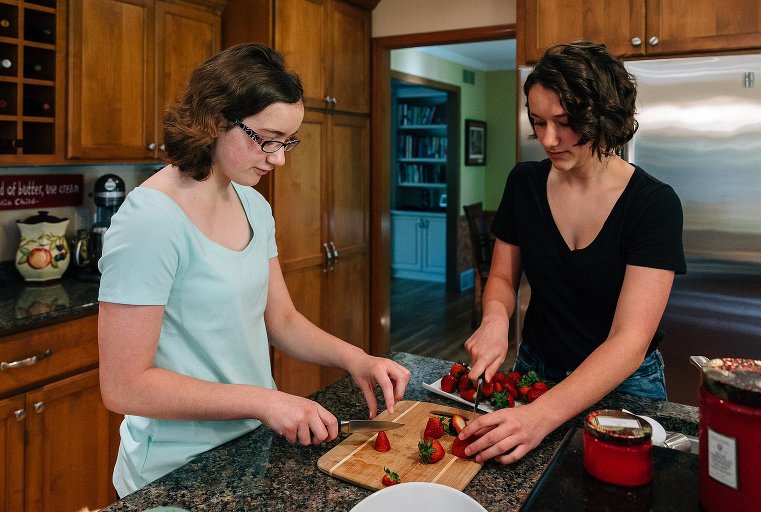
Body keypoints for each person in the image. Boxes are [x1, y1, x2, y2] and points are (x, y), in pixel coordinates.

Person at [97, 43, 411, 497]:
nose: (278, 158)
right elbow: (124, 386)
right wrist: (266, 401)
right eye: (266, 139)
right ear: (215, 119)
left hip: (248, 447)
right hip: (172, 470)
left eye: (287, 142)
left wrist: (354, 358)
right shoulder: (150, 219)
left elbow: (280, 320)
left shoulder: (252, 204)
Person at [457, 41, 686, 465]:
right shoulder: (524, 182)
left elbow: (630, 340)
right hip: (535, 369)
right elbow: (504, 278)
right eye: (538, 122)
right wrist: (494, 322)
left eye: (565, 123)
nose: (548, 139)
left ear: (605, 116)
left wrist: (540, 417)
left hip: (624, 385)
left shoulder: (653, 204)